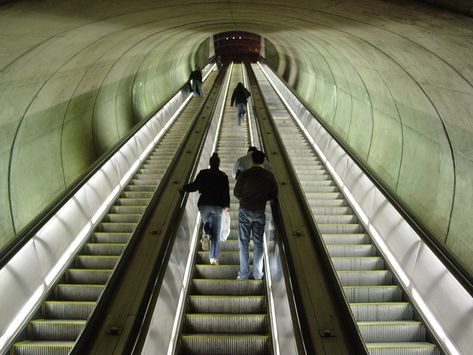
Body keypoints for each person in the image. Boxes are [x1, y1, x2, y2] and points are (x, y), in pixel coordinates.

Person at [234, 150, 278, 280]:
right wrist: (263, 198)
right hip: (260, 211)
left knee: (244, 243)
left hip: (245, 211)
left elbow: (236, 192)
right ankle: (258, 274)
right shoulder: (269, 176)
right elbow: (274, 193)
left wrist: (245, 199)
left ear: (252, 160)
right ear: (263, 161)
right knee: (258, 243)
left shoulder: (244, 174)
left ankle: (244, 273)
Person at [183, 153, 230, 265]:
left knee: (207, 222)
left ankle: (205, 235)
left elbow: (195, 185)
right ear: (219, 164)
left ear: (210, 163)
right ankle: (213, 258)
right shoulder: (223, 176)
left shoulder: (203, 173)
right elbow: (225, 192)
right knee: (216, 231)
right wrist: (226, 205)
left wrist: (184, 187)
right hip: (217, 205)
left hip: (204, 204)